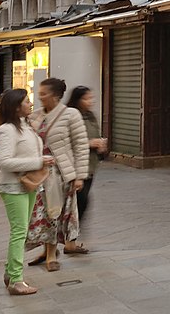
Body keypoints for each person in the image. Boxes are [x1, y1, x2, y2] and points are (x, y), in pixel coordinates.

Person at [27, 77, 88, 272]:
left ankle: (52, 254)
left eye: (43, 93)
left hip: (60, 174)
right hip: (37, 173)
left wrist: (80, 175)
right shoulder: (34, 116)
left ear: (54, 95)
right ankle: (46, 251)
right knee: (40, 214)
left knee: (54, 212)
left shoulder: (71, 115)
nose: (40, 97)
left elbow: (80, 146)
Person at [0, 87, 44, 297]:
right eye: (26, 101)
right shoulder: (6, 130)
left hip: (29, 184)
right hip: (13, 186)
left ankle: (9, 273)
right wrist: (39, 161)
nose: (30, 104)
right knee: (19, 232)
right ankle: (16, 280)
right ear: (15, 107)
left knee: (22, 232)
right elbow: (2, 161)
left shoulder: (26, 125)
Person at [64, 86, 106, 248]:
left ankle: (71, 239)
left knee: (82, 202)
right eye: (86, 98)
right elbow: (68, 141)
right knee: (80, 202)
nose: (90, 102)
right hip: (76, 167)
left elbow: (95, 135)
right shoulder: (70, 116)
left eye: (91, 98)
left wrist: (101, 145)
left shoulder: (90, 116)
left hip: (90, 166)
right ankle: (69, 239)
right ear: (77, 99)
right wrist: (90, 143)